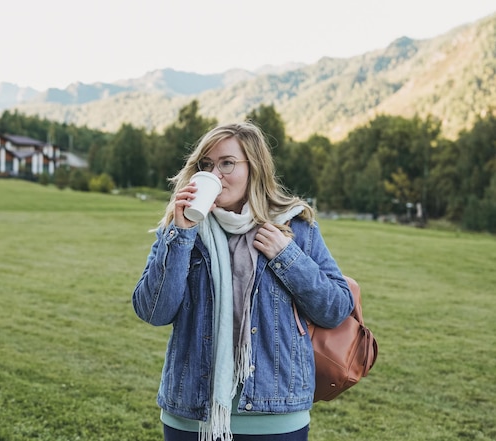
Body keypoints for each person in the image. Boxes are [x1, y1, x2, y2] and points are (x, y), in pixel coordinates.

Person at [132, 121, 353, 441]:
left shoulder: (294, 227)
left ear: (255, 167)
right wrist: (180, 235)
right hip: (192, 418)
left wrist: (287, 255)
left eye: (227, 163)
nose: (215, 174)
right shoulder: (181, 230)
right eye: (205, 165)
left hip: (275, 416)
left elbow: (335, 307)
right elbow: (154, 311)